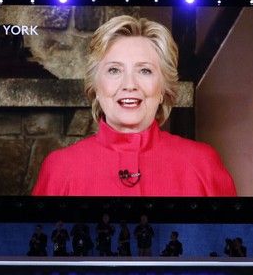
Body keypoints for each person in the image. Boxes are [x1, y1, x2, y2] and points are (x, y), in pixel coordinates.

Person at [32, 15, 237, 196]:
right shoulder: (60, 168)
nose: (129, 85)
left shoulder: (203, 164)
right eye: (114, 70)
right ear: (95, 86)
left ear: (163, 88)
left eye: (145, 71)